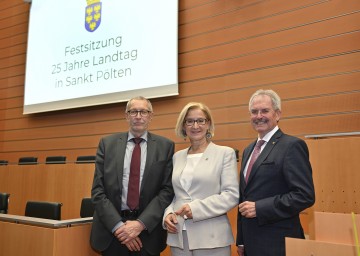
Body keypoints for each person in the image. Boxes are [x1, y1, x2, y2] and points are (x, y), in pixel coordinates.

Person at [90, 96, 175, 256]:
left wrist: (140, 224)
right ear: (126, 115)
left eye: (143, 111)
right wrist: (120, 228)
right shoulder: (107, 144)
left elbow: (166, 191)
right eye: (133, 111)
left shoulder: (165, 146)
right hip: (112, 232)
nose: (138, 116)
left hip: (147, 233)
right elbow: (98, 191)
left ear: (150, 116)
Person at [236, 89, 315, 256]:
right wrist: (241, 240)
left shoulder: (291, 146)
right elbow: (244, 197)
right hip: (251, 244)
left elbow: (304, 195)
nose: (258, 116)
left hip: (279, 244)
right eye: (254, 112)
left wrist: (260, 208)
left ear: (278, 114)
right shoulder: (248, 150)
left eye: (265, 110)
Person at [163, 102, 239, 256]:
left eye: (200, 120)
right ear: (183, 126)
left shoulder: (225, 153)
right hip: (179, 235)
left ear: (208, 124)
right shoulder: (177, 157)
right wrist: (168, 213)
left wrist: (195, 209)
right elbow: (175, 194)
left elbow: (231, 195)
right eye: (189, 121)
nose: (195, 125)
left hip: (212, 239)